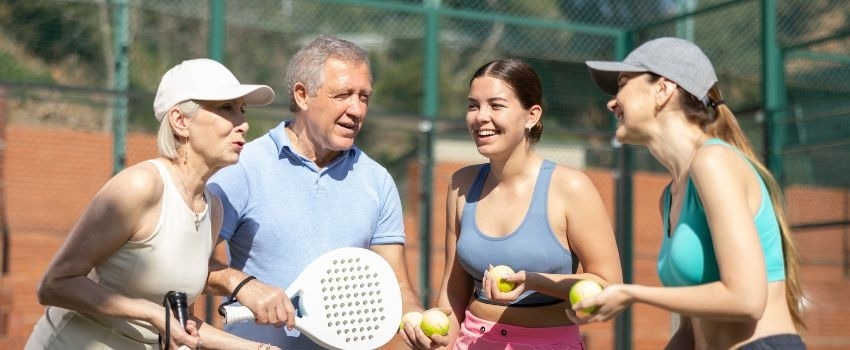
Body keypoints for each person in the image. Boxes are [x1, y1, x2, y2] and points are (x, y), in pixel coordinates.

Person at [25, 58, 282, 349]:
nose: (244, 124)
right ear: (181, 121)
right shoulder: (140, 186)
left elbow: (179, 324)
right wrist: (150, 312)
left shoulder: (213, 210)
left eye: (242, 110)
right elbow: (54, 285)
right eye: (227, 109)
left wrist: (259, 348)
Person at [205, 34, 438, 349]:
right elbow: (189, 266)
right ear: (302, 95)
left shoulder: (377, 181)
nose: (356, 109)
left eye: (364, 96)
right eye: (343, 94)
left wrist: (413, 317)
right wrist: (244, 286)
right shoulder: (242, 168)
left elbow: (397, 284)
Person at [572, 37, 807, 349]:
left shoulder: (713, 161)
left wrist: (631, 293)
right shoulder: (669, 196)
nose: (612, 102)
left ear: (663, 90)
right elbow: (690, 332)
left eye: (623, 83)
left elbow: (747, 300)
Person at [428, 58, 623, 349]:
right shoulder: (461, 184)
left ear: (531, 116)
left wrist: (531, 281)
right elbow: (454, 291)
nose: (480, 116)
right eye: (473, 105)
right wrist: (437, 341)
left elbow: (610, 286)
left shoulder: (572, 187)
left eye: (496, 105)